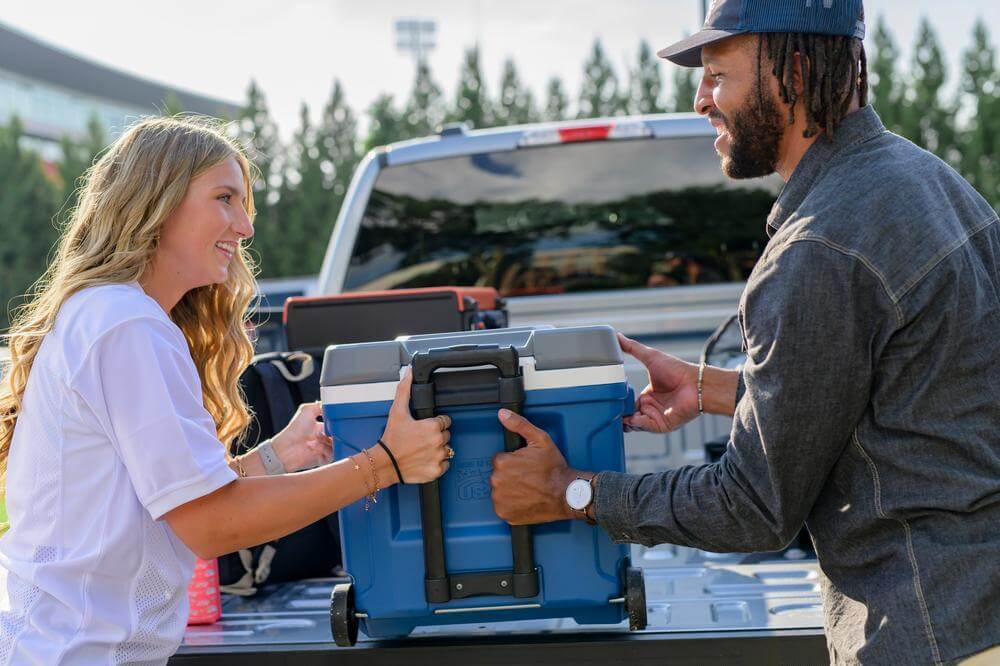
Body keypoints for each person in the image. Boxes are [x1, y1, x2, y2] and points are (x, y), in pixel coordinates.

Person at [489, 1, 1000, 664]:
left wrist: (572, 491)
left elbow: (754, 506)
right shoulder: (932, 182)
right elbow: (914, 398)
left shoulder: (818, 248)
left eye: (716, 75)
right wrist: (719, 390)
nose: (701, 100)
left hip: (934, 636)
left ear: (792, 71)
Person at [0, 116, 453, 664]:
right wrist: (386, 463)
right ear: (156, 204)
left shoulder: (106, 314)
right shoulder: (127, 325)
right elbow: (210, 524)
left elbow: (162, 500)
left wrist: (276, 458)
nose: (245, 226)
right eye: (224, 198)